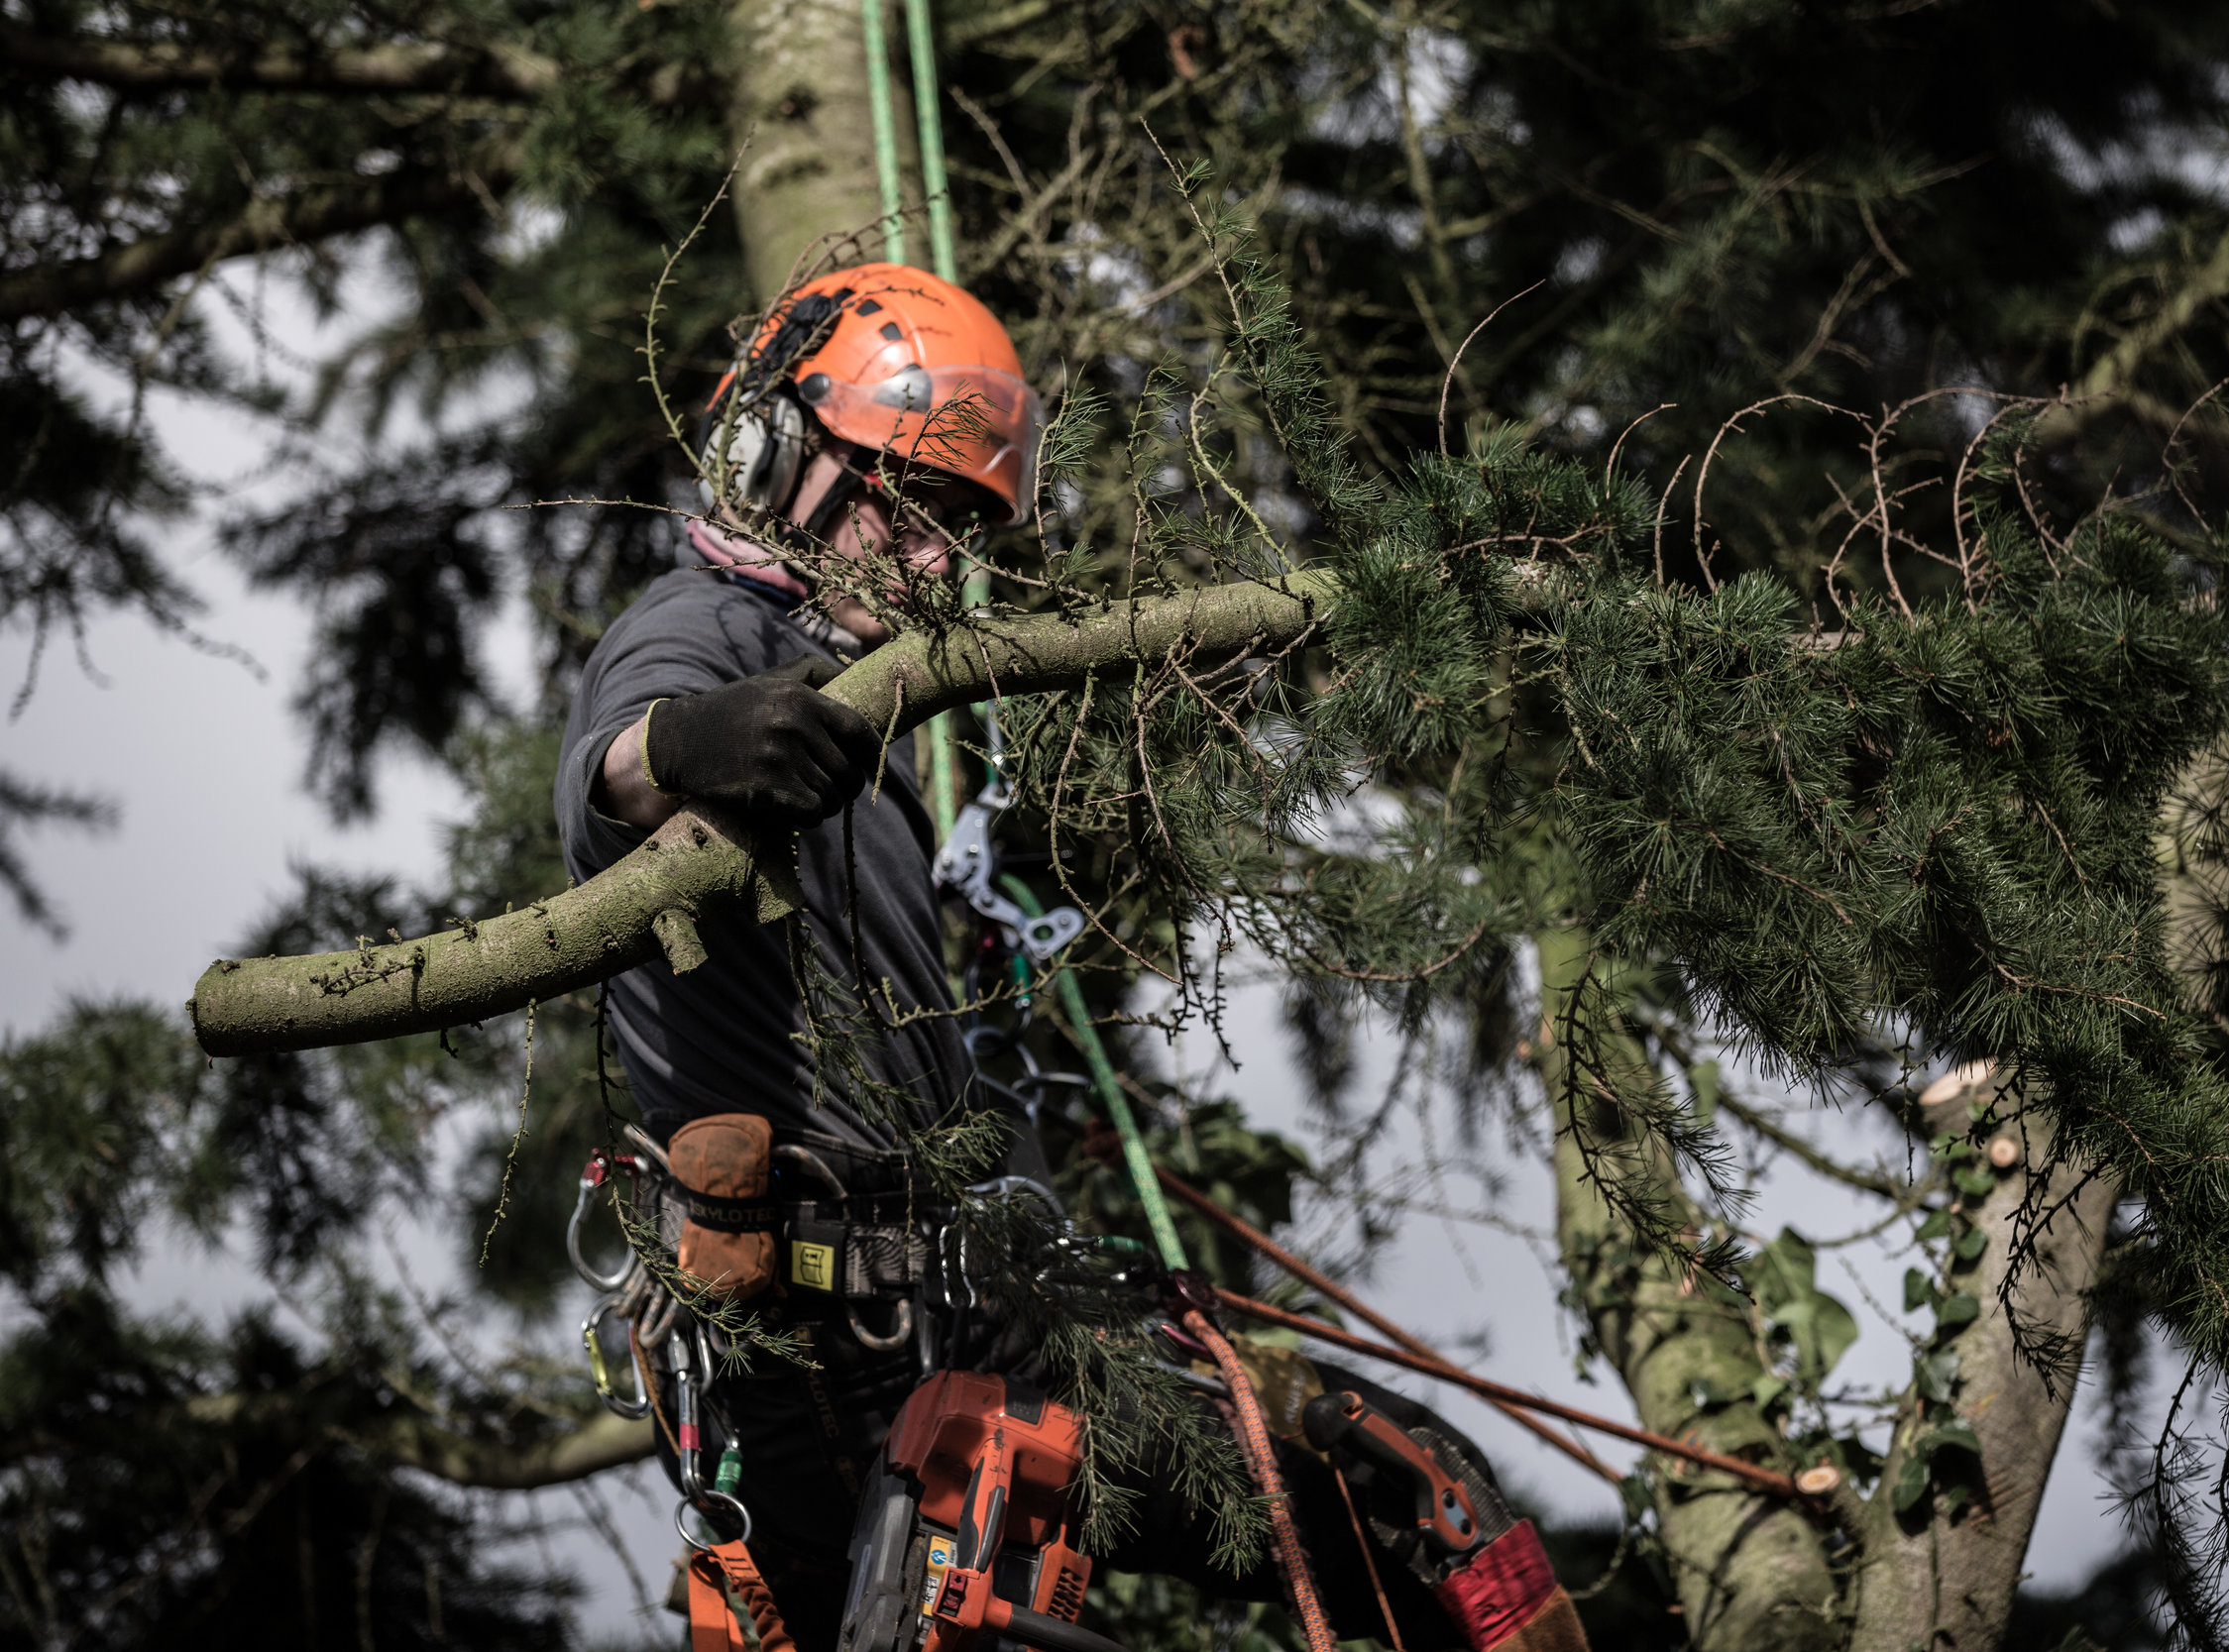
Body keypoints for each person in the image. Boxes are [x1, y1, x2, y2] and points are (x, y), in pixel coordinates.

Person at [555, 264, 1587, 1652]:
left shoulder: (873, 735)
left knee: (1397, 1492)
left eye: (957, 530)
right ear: (773, 450)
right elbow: (611, 771)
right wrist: (678, 751)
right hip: (823, 1365)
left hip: (980, 1321)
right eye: (901, 505)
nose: (932, 563)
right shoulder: (705, 634)